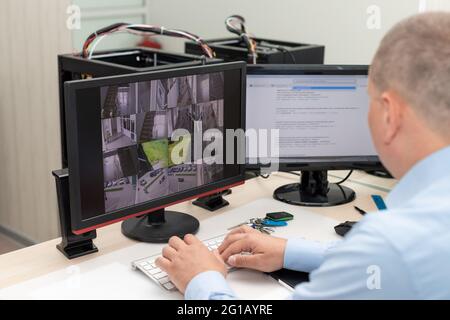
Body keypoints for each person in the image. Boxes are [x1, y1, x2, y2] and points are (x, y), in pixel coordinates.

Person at [155, 12, 450, 299]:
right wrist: (290, 252)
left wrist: (201, 280)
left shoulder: (393, 244)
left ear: (391, 114)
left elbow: (387, 258)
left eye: (368, 100)